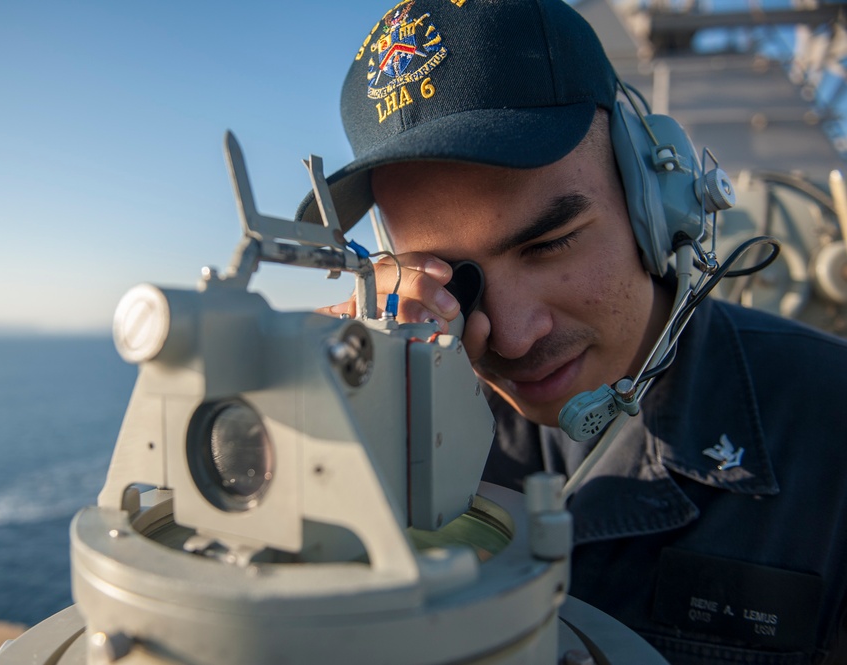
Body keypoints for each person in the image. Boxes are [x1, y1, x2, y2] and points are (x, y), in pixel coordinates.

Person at [298, 0, 847, 663]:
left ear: (653, 196)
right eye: (455, 277)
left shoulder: (830, 428)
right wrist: (323, 449)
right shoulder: (403, 431)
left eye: (550, 244)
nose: (514, 336)